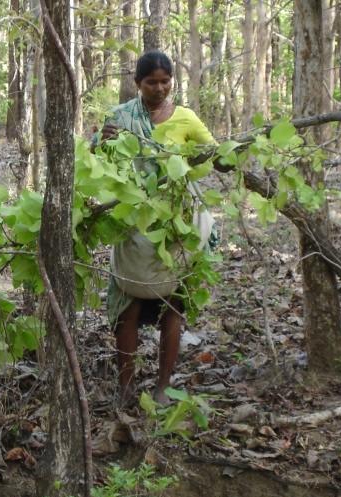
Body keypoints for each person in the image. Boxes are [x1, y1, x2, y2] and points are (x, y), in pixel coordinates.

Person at [97, 51, 223, 406]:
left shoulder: (186, 118)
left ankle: (164, 386)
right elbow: (100, 163)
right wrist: (101, 142)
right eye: (151, 81)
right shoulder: (120, 118)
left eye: (165, 81)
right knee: (129, 308)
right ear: (137, 84)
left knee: (173, 305)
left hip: (175, 225)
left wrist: (228, 156)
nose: (159, 88)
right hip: (133, 224)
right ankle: (126, 388)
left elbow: (211, 154)